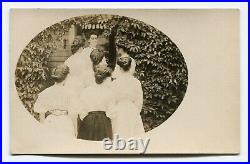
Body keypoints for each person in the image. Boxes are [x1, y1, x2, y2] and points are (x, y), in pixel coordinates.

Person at [33, 64, 75, 138]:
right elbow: (73, 115)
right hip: (65, 123)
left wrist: (42, 131)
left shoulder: (45, 92)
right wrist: (75, 132)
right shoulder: (70, 93)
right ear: (67, 77)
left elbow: (41, 115)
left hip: (50, 122)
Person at [76, 64, 115, 141]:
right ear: (105, 78)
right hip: (103, 122)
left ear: (94, 77)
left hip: (88, 121)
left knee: (87, 147)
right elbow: (112, 113)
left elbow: (81, 111)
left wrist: (87, 119)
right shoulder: (109, 92)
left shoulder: (85, 91)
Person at [110, 55, 145, 138]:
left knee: (119, 134)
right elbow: (139, 100)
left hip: (118, 110)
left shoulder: (115, 83)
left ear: (120, 68)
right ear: (130, 67)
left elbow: (111, 100)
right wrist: (136, 111)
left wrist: (113, 111)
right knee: (133, 134)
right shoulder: (136, 82)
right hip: (132, 109)